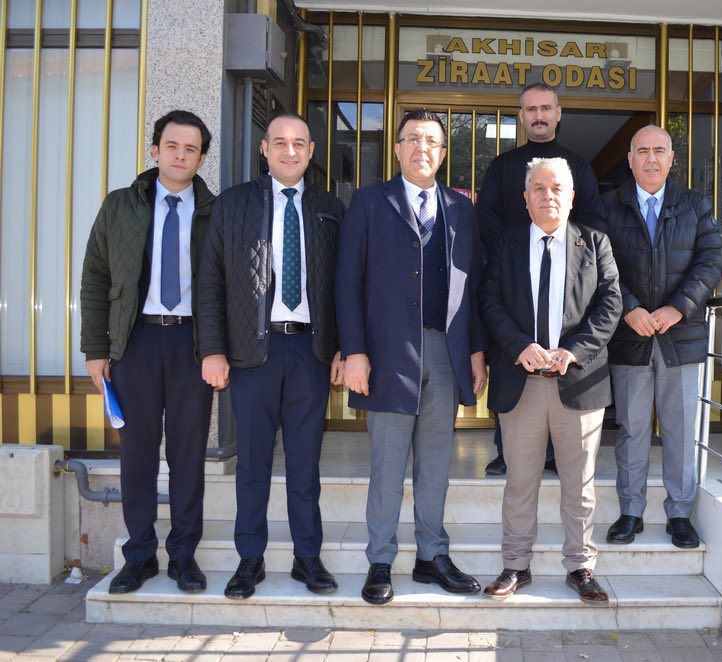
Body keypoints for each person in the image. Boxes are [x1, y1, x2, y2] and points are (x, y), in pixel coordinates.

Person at [336, 110, 487, 606]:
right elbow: (347, 281)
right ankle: (380, 559)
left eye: (431, 141)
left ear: (443, 153)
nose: (422, 148)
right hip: (385, 352)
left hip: (445, 349)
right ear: (397, 149)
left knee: (436, 462)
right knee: (387, 463)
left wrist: (476, 350)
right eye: (413, 139)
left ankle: (431, 556)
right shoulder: (369, 201)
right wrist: (354, 351)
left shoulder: (460, 208)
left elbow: (471, 286)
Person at [198, 113, 346, 599]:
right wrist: (213, 349)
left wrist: (344, 348)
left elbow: (345, 286)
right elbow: (210, 282)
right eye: (279, 142)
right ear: (264, 148)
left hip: (310, 351)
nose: (289, 151)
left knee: (305, 465)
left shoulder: (329, 208)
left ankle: (308, 557)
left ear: (311, 151)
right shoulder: (233, 204)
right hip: (251, 353)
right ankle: (250, 559)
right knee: (253, 464)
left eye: (299, 143)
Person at [80, 110, 215, 594]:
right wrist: (96, 348)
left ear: (201, 158)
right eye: (172, 146)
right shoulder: (120, 205)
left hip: (191, 343)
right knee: (137, 452)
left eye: (191, 149)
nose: (181, 155)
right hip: (133, 342)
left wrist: (219, 349)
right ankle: (139, 555)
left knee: (188, 452)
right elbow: (95, 277)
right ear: (155, 150)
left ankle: (183, 555)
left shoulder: (215, 211)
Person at [479, 157, 621, 603]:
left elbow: (610, 304)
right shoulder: (505, 244)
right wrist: (518, 346)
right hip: (520, 383)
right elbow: (490, 302)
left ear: (572, 196)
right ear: (525, 199)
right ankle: (515, 566)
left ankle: (580, 567)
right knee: (520, 481)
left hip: (578, 381)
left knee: (579, 485)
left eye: (557, 188)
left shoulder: (594, 243)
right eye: (538, 189)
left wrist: (575, 351)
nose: (548, 196)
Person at [601, 125, 722, 549]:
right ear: (630, 159)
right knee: (632, 428)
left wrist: (677, 308)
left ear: (672, 159)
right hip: (630, 336)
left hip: (680, 337)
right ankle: (631, 512)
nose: (651, 159)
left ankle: (680, 514)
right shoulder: (608, 206)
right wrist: (629, 308)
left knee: (680, 429)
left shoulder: (695, 205)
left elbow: (710, 261)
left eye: (659, 151)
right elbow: (601, 264)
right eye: (642, 151)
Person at [476, 82, 605, 476]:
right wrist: (515, 254)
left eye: (545, 108)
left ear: (558, 113)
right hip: (513, 279)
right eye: (531, 109)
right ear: (521, 116)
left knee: (561, 374)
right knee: (512, 364)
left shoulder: (578, 166)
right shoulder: (502, 167)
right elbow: (486, 218)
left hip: (566, 282)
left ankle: (555, 455)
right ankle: (508, 451)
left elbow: (594, 220)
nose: (538, 116)